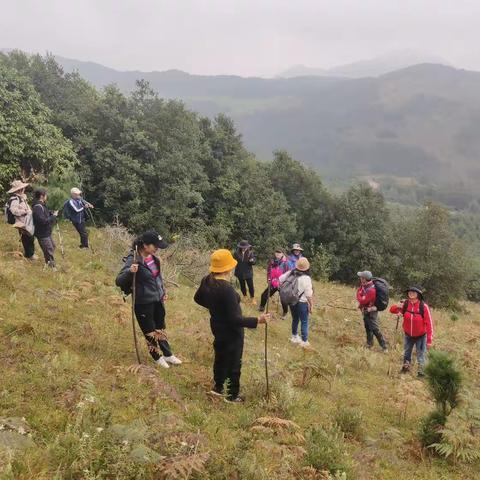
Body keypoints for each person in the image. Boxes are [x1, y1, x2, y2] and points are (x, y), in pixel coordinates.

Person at [194, 249, 270, 403]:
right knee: (234, 362)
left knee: (220, 357)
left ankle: (218, 387)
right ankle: (231, 395)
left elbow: (197, 298)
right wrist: (258, 320)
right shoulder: (226, 289)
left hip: (217, 326)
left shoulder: (207, 280)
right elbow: (235, 319)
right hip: (232, 331)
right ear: (228, 268)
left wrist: (215, 308)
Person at [116, 231, 182, 369]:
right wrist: (130, 271)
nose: (157, 248)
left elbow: (157, 277)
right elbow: (119, 280)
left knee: (160, 327)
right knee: (149, 330)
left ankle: (168, 354)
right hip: (143, 302)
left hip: (158, 299)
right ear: (145, 245)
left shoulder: (154, 259)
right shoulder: (133, 259)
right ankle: (157, 357)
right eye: (155, 245)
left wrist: (162, 292)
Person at [390, 286, 433, 377]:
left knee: (421, 354)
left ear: (418, 294)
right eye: (410, 292)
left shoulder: (423, 306)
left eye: (414, 292)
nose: (411, 293)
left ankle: (421, 372)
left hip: (421, 336)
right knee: (407, 352)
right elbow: (392, 310)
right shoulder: (405, 304)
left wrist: (429, 340)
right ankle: (406, 368)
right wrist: (397, 306)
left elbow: (429, 324)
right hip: (408, 334)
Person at [279, 257, 314, 348]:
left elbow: (280, 279)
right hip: (302, 303)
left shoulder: (291, 273)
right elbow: (308, 294)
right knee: (304, 321)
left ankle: (294, 337)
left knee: (295, 319)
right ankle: (304, 341)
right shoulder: (306, 278)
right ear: (307, 268)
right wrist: (311, 304)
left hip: (292, 301)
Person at [356, 271, 388, 352]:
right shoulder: (364, 285)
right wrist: (360, 295)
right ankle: (369, 344)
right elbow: (360, 292)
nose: (360, 278)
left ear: (364, 279)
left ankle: (384, 346)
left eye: (361, 277)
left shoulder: (371, 290)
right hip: (366, 310)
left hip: (371, 312)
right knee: (367, 327)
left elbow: (362, 299)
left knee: (374, 329)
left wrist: (359, 295)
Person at [6, 180, 36, 260]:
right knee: (27, 238)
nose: (24, 189)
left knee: (30, 237)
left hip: (26, 221)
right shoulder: (15, 199)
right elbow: (14, 211)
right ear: (19, 190)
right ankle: (29, 255)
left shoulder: (21, 197)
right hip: (21, 222)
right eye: (23, 188)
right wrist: (25, 212)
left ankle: (30, 254)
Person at [32, 188, 58, 269]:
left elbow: (45, 214)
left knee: (52, 247)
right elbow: (42, 221)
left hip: (46, 232)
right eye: (45, 195)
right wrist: (53, 216)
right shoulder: (37, 207)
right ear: (41, 196)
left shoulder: (42, 205)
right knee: (48, 249)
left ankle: (48, 262)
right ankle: (52, 267)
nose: (47, 196)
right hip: (42, 233)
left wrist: (50, 212)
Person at [259, 249, 289, 318]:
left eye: (279, 253)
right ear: (275, 254)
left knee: (284, 299)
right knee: (264, 295)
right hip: (273, 282)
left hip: (282, 284)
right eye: (277, 253)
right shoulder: (272, 262)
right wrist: (269, 279)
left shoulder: (286, 263)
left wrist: (284, 283)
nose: (278, 254)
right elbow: (269, 271)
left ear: (282, 254)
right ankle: (261, 307)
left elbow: (288, 274)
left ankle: (285, 312)